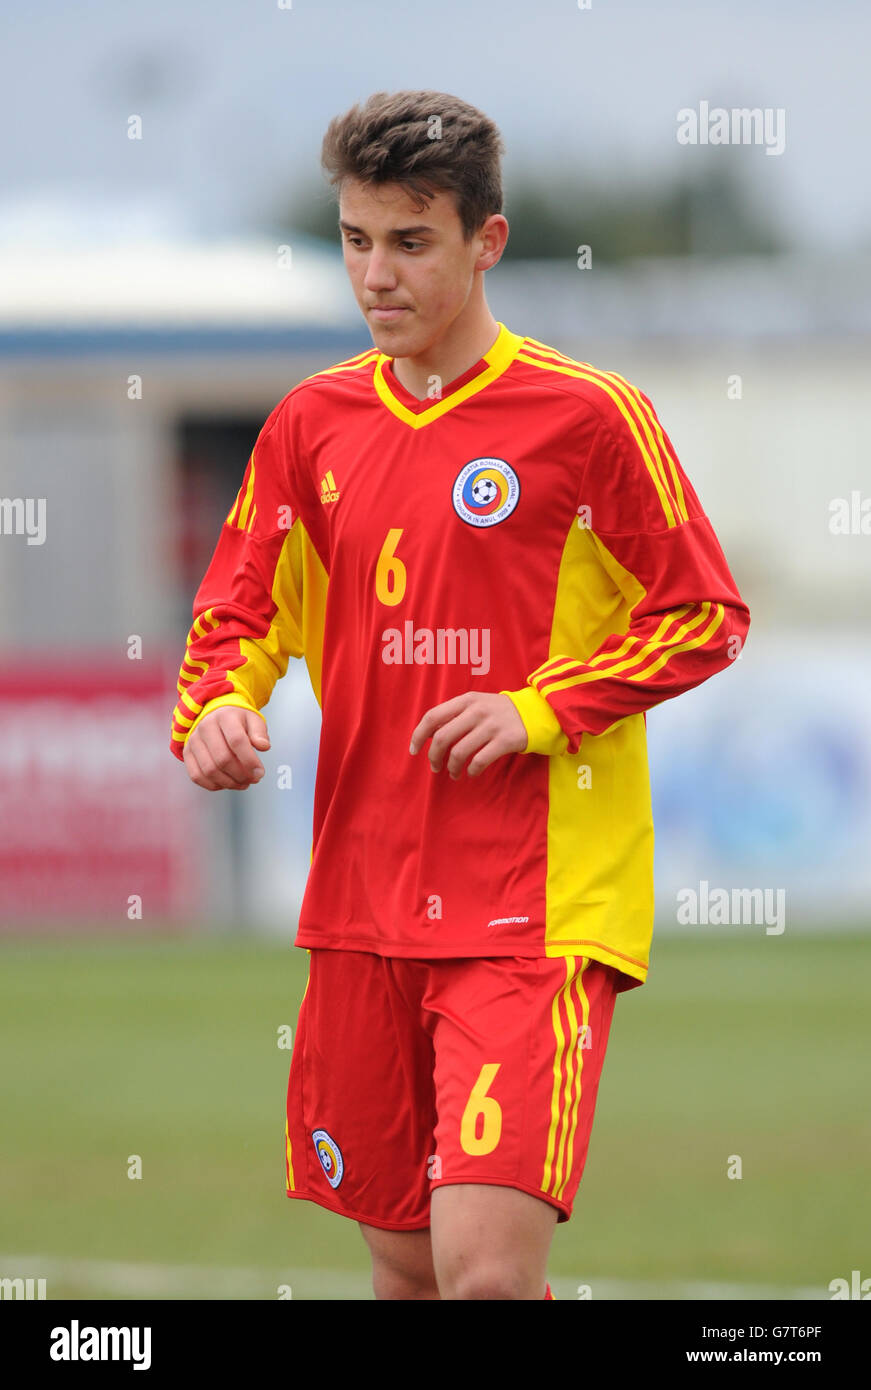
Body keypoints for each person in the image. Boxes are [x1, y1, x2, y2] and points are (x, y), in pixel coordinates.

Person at [169, 89, 751, 1300]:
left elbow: (702, 612)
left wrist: (538, 708)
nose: (375, 275)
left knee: (483, 1274)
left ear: (487, 241)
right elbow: (238, 615)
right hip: (363, 905)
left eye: (410, 241)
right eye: (355, 240)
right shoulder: (310, 426)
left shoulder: (588, 418)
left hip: (531, 914)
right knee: (411, 1272)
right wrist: (219, 706)